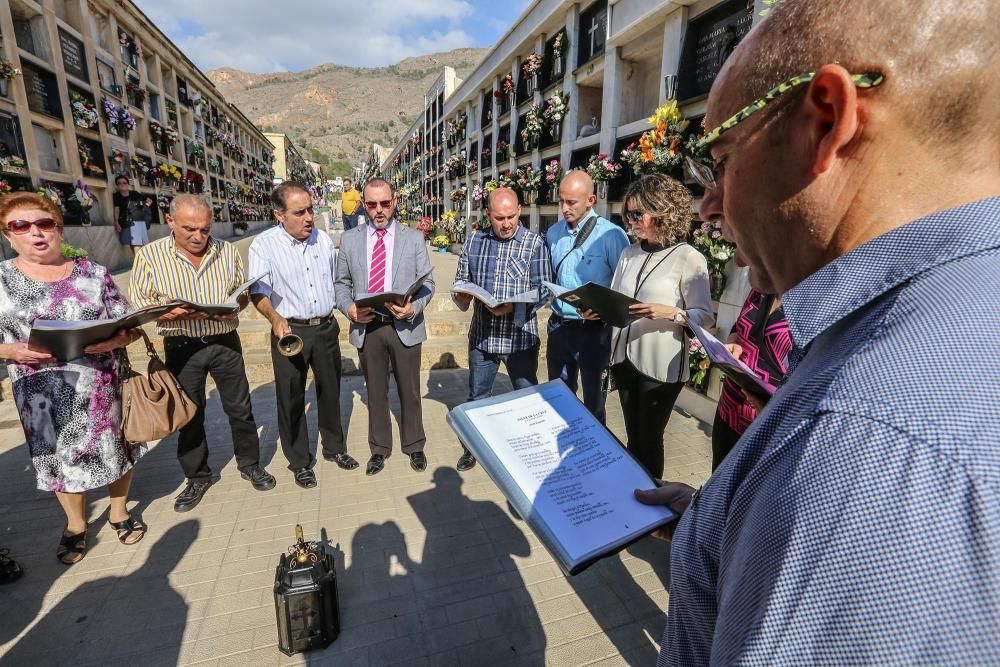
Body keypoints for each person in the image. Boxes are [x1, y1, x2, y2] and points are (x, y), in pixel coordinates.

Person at [634, 1, 1000, 663]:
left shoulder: (863, 441)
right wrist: (729, 530)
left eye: (719, 159)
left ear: (826, 119)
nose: (710, 205)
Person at [0, 192, 147, 564]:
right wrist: (11, 351)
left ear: (58, 229)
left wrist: (114, 339)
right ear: (8, 235)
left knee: (114, 449)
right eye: (21, 225)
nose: (35, 232)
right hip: (39, 392)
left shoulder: (93, 274)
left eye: (44, 223)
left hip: (99, 385)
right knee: (59, 459)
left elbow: (129, 325)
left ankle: (119, 511)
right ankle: (76, 525)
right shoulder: (0, 281)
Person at [130, 194, 275, 512]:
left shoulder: (226, 252)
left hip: (225, 341)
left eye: (205, 230)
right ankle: (198, 476)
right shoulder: (151, 256)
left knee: (241, 409)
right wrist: (168, 314)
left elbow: (242, 295)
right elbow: (141, 304)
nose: (198, 237)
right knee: (189, 415)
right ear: (170, 222)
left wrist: (233, 307)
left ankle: (250, 465)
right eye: (189, 229)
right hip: (182, 346)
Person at [598, 174, 713, 480]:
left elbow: (705, 316)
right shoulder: (628, 253)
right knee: (634, 436)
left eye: (637, 214)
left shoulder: (689, 258)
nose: (630, 221)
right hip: (623, 359)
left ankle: (652, 500)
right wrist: (597, 309)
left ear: (662, 212)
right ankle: (634, 494)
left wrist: (671, 313)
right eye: (627, 214)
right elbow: (617, 299)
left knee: (649, 439)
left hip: (661, 367)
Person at [249, 181, 358, 489]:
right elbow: (258, 291)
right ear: (279, 215)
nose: (310, 217)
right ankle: (299, 462)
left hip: (325, 327)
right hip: (290, 331)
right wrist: (275, 318)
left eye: (310, 209)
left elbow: (337, 283)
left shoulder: (322, 240)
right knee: (291, 397)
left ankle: (335, 449)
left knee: (330, 391)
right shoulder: (264, 245)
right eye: (300, 212)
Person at [334, 178, 435, 476]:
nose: (379, 210)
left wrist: (413, 307)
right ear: (363, 204)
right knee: (375, 392)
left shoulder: (413, 238)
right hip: (369, 326)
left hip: (404, 324)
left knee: (410, 390)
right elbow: (341, 284)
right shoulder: (351, 239)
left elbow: (428, 282)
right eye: (372, 204)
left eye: (385, 203)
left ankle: (414, 444)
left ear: (395, 202)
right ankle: (379, 449)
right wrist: (349, 308)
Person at [451, 187, 551, 471]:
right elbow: (460, 279)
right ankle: (474, 448)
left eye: (511, 216)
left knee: (526, 398)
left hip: (520, 337)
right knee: (478, 397)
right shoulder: (474, 242)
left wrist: (513, 307)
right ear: (488, 215)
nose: (506, 223)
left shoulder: (534, 244)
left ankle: (528, 450)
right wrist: (462, 295)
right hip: (483, 336)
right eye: (498, 218)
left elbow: (544, 290)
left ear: (519, 210)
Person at [711, 290, 790, 470]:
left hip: (767, 424)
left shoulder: (818, 303)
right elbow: (740, 325)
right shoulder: (760, 287)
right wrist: (734, 340)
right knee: (716, 481)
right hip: (730, 406)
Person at [113, 175, 148, 253]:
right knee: (132, 244)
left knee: (137, 244)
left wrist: (146, 209)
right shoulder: (116, 196)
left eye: (124, 183)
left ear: (128, 184)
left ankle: (140, 263)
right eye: (119, 183)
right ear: (117, 185)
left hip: (138, 221)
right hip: (126, 222)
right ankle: (139, 262)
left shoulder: (135, 194)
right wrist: (116, 222)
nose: (122, 184)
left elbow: (147, 201)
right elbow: (116, 209)